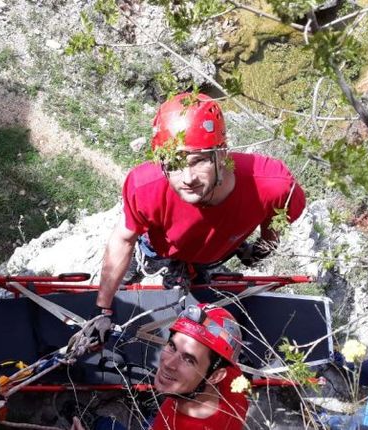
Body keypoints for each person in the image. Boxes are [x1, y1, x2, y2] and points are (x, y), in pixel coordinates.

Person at [87, 92, 306, 341]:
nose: (188, 178)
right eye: (175, 163)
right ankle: (146, 267)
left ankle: (191, 272)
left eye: (199, 161)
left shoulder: (273, 184)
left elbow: (278, 215)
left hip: (212, 253)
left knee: (197, 278)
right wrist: (102, 308)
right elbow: (124, 239)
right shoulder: (145, 186)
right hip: (159, 247)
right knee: (139, 264)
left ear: (221, 154)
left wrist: (265, 245)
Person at [72, 304, 249, 430]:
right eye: (172, 346)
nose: (168, 363)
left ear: (216, 376)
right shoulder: (233, 381)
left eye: (189, 360)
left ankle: (95, 422)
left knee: (105, 426)